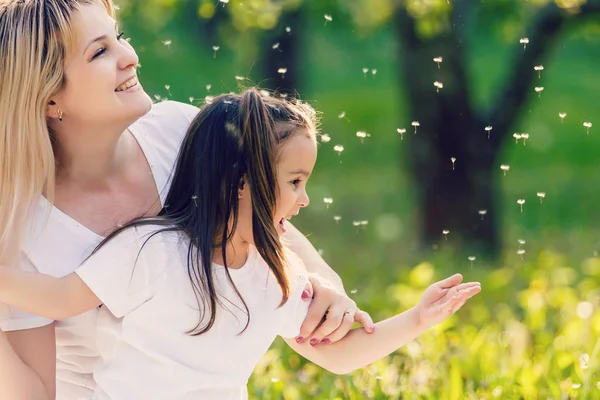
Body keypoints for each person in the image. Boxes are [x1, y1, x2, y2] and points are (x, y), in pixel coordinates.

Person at [0, 88, 481, 400]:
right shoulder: (150, 251)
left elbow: (337, 354)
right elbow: (58, 298)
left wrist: (418, 318)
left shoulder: (277, 275)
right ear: (239, 181)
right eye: (294, 181)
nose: (305, 198)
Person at [0, 1, 373, 399]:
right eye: (99, 52)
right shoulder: (21, 230)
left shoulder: (177, 134)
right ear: (48, 97)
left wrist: (323, 281)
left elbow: (260, 218)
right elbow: (33, 392)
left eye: (119, 37)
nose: (129, 57)